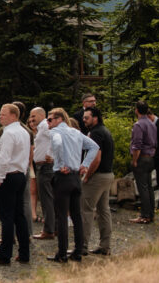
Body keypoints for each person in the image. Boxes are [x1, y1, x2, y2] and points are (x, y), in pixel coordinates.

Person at [47, 108, 98, 263]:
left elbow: (56, 143)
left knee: (62, 216)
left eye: (50, 119)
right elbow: (94, 146)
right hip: (76, 176)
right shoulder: (76, 132)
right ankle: (78, 251)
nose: (48, 123)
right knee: (76, 215)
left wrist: (61, 163)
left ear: (59, 119)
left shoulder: (55, 132)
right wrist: (85, 164)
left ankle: (62, 253)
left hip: (63, 176)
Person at [0, 104, 31, 266]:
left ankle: (4, 255)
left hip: (8, 176)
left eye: (3, 114)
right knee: (19, 215)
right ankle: (24, 253)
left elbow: (3, 158)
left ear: (14, 115)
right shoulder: (24, 132)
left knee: (7, 217)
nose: (0, 117)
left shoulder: (9, 134)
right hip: (20, 174)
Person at [81, 106, 114, 255]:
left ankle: (81, 246)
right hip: (108, 175)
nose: (84, 120)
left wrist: (87, 175)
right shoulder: (105, 131)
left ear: (95, 118)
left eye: (86, 117)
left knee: (85, 209)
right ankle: (105, 246)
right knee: (103, 210)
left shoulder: (96, 133)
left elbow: (96, 157)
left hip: (97, 176)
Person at [28, 107, 55, 240]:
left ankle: (49, 230)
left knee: (46, 199)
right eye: (30, 116)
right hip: (42, 166)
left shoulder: (45, 125)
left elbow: (56, 138)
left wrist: (51, 154)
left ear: (41, 115)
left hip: (45, 166)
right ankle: (52, 228)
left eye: (33, 116)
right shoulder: (41, 128)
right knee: (47, 198)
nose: (31, 119)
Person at [130, 100, 158, 223]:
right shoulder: (152, 123)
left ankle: (145, 215)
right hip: (151, 157)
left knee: (143, 188)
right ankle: (151, 214)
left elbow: (137, 145)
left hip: (141, 158)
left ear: (136, 110)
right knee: (149, 187)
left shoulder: (138, 125)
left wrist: (134, 160)